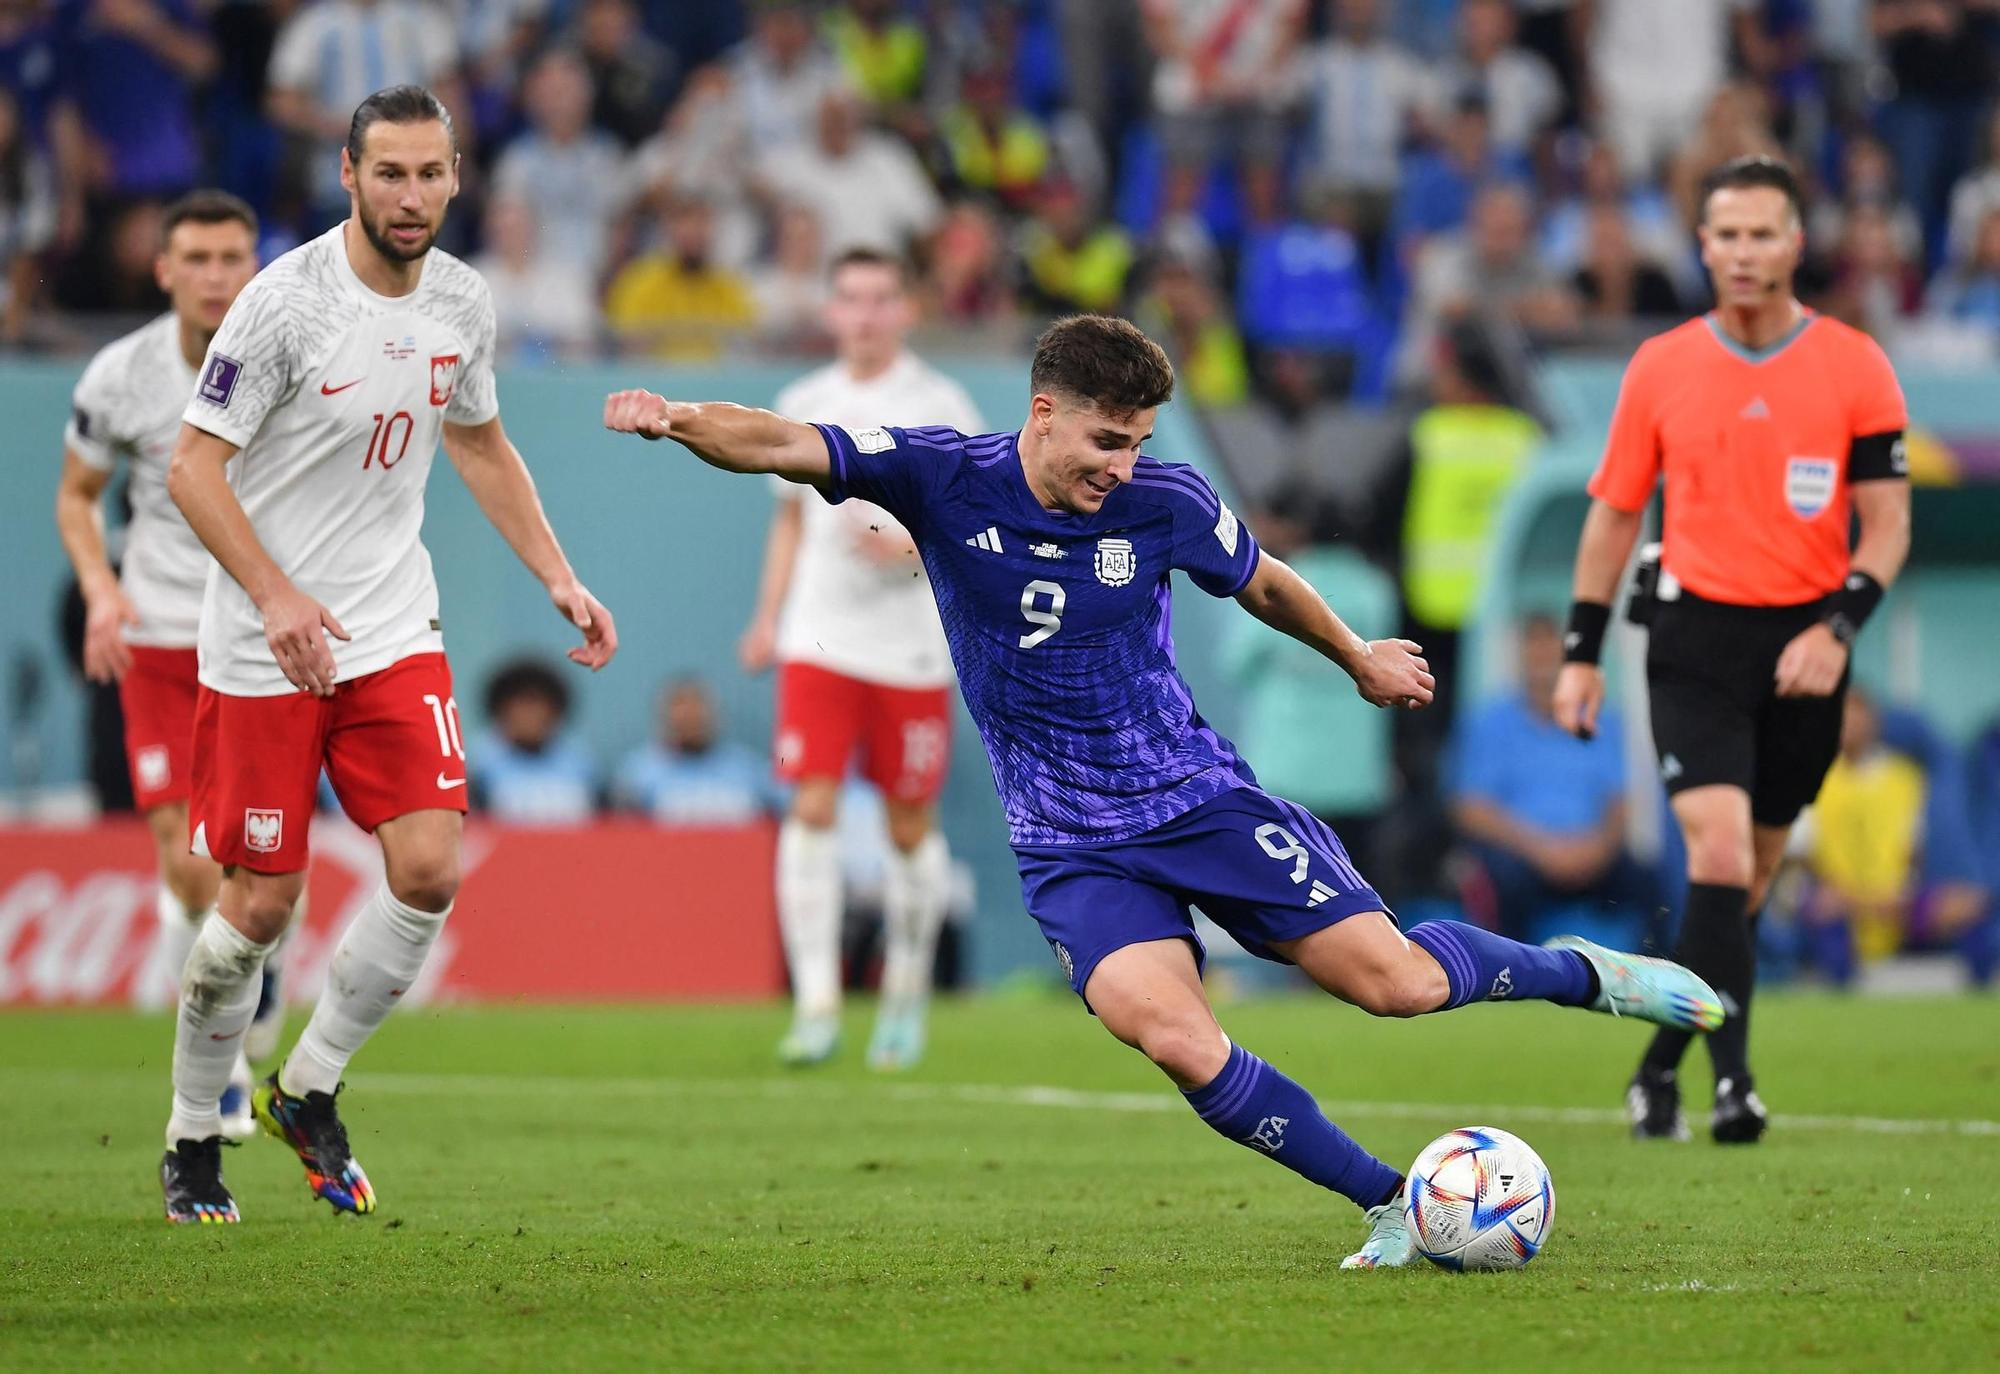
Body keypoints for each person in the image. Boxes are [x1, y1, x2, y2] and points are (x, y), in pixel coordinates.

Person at [605, 312, 1723, 1269]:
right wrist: (677, 421)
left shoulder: (1165, 502)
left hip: (1196, 802)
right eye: (1104, 440)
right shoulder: (942, 474)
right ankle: (1388, 1201)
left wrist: (1358, 655)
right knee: (1174, 1036)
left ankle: (1586, 976)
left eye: (1136, 443)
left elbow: (1265, 584)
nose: (1120, 466)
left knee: (1395, 988)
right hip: (1067, 845)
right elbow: (786, 443)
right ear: (1041, 412)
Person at [157, 85, 618, 1224]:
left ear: (458, 176)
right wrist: (274, 597)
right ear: (349, 177)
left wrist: (557, 576)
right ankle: (187, 1136)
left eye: (430, 173)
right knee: (257, 912)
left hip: (390, 631)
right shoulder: (282, 306)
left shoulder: (463, 301)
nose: (411, 196)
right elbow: (190, 470)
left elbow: (481, 444)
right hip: (266, 651)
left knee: (427, 868)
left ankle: (308, 1090)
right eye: (389, 174)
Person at [1553, 156, 1911, 1145]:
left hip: (1805, 644)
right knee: (1713, 853)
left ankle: (1654, 1069)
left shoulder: (1852, 364)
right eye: (1726, 234)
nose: (1744, 251)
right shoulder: (1661, 365)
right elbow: (1611, 516)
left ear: (1795, 244)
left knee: (1744, 886)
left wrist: (1836, 629)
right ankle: (1735, 1086)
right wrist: (1580, 654)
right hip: (1692, 638)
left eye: (1763, 233)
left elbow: (1885, 526)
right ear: (1701, 246)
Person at [53, 189, 291, 1139]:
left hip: (264, 636)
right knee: (190, 864)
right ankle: (223, 1069)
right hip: (157, 633)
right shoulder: (120, 375)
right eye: (194, 258)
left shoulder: (292, 360)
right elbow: (78, 496)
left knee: (267, 870)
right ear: (163, 270)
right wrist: (102, 590)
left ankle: (254, 969)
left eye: (232, 257)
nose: (214, 275)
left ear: (254, 266)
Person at [737, 247, 983, 1071]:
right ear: (832, 310)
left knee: (908, 824)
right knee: (809, 805)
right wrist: (766, 618)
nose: (866, 313)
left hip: (911, 650)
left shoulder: (940, 405)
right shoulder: (805, 402)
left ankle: (905, 994)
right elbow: (784, 519)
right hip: (818, 639)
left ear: (906, 310)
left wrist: (912, 545)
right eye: (851, 298)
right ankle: (815, 1006)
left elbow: (974, 525)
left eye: (881, 298)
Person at [1451, 615, 1654, 944]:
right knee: (1503, 878)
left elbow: (1620, 800)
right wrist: (1540, 849)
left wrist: (1597, 848)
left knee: (1646, 879)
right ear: (1520, 657)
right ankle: (1509, 970)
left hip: (1591, 850)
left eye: (1549, 651)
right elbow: (1471, 809)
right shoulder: (1490, 722)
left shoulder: (1599, 718)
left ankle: (1652, 971)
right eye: (1534, 652)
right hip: (1522, 852)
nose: (1542, 662)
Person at [612, 676, 779, 825]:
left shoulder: (747, 768)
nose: (690, 717)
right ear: (664, 716)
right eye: (680, 708)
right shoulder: (640, 772)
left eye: (697, 707)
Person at [468, 656, 599, 824]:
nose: (530, 715)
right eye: (522, 705)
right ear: (502, 711)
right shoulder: (478, 765)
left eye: (538, 704)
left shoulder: (581, 764)